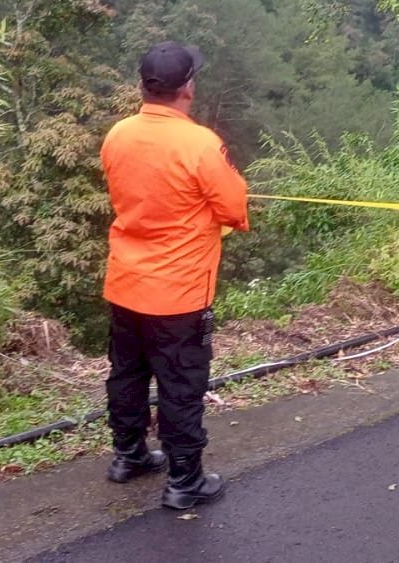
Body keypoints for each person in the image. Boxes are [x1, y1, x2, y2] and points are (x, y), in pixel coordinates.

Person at [100, 41, 249, 510]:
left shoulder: (117, 134)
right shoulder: (200, 143)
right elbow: (233, 206)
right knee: (181, 384)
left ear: (144, 86)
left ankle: (128, 456)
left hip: (126, 281)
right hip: (179, 292)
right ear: (187, 88)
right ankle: (185, 481)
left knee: (127, 372)